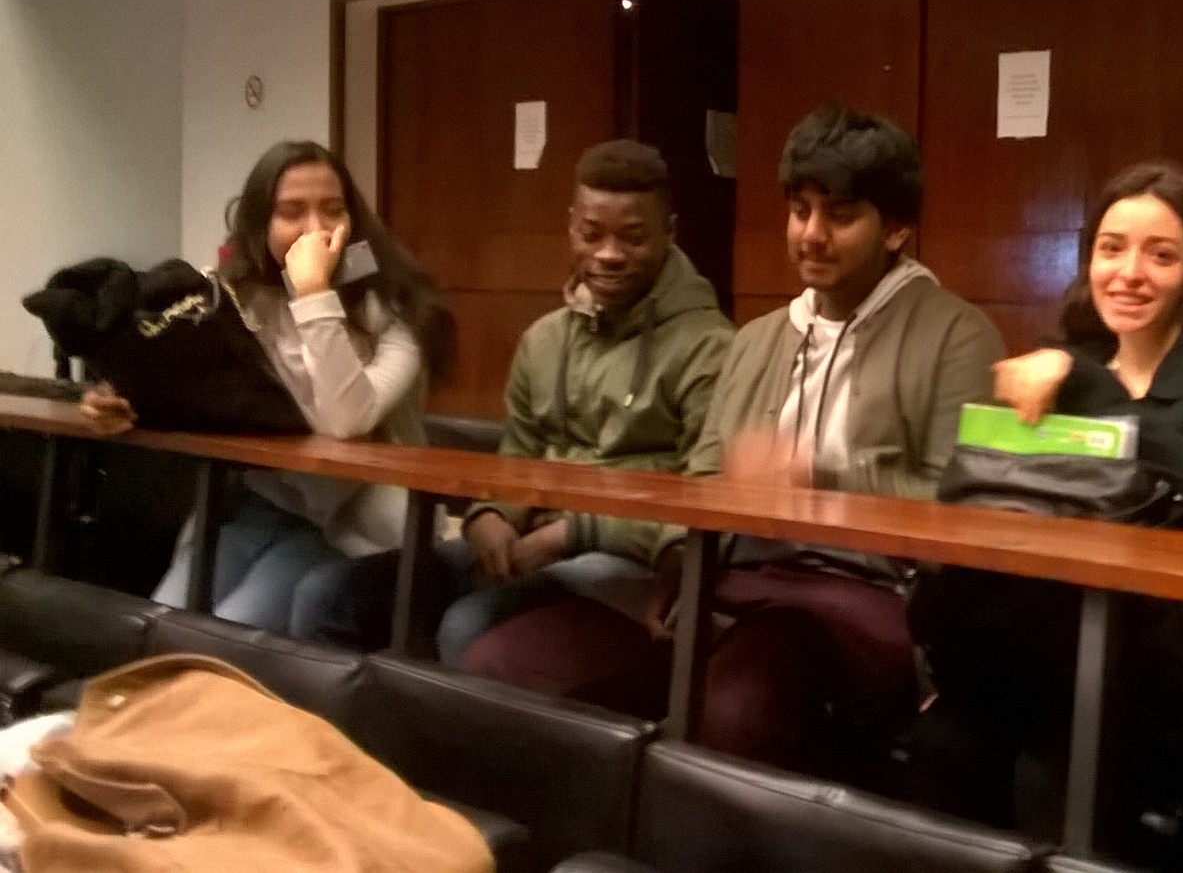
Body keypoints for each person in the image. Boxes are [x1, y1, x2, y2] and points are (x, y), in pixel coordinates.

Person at [910, 162, 1183, 871]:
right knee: (947, 744)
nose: (1129, 273)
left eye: (1160, 255)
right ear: (1089, 260)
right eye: (1111, 249)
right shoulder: (1073, 364)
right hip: (1077, 648)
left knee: (1057, 755)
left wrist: (1095, 391)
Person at [616, 101, 1002, 776]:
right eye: (800, 211)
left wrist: (818, 475)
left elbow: (960, 509)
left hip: (875, 597)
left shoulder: (958, 336)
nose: (811, 235)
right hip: (738, 580)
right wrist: (677, 562)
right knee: (521, 662)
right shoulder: (756, 339)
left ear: (897, 228)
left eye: (840, 216)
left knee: (738, 699)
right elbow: (703, 473)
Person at [79, 140, 453, 636]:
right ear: (260, 223)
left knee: (231, 635)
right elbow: (178, 382)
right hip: (257, 506)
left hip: (349, 526)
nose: (316, 229)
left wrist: (314, 293)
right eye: (291, 213)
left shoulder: (398, 310)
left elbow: (344, 420)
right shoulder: (236, 299)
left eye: (333, 210)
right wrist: (114, 398)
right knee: (157, 623)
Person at [435, 140, 734, 709]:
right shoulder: (544, 339)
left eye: (633, 238)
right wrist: (491, 512)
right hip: (537, 537)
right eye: (591, 234)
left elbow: (703, 498)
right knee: (353, 599)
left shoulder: (710, 347)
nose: (609, 255)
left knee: (465, 626)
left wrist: (576, 532)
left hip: (630, 561)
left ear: (670, 232)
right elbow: (519, 453)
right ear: (571, 226)